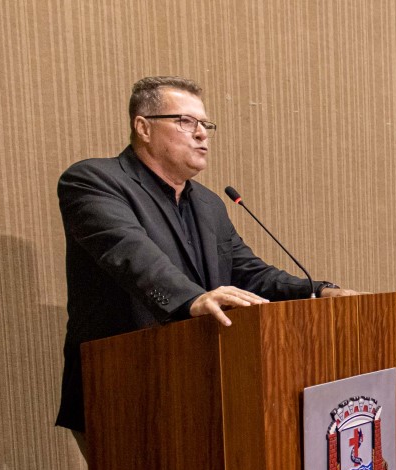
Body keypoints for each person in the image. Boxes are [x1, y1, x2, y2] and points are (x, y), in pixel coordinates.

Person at [57, 76, 357, 451]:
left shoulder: (209, 204)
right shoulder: (94, 181)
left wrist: (318, 291)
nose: (202, 134)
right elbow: (130, 254)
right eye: (186, 121)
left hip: (202, 386)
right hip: (124, 388)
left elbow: (249, 273)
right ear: (143, 127)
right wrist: (190, 300)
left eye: (206, 125)